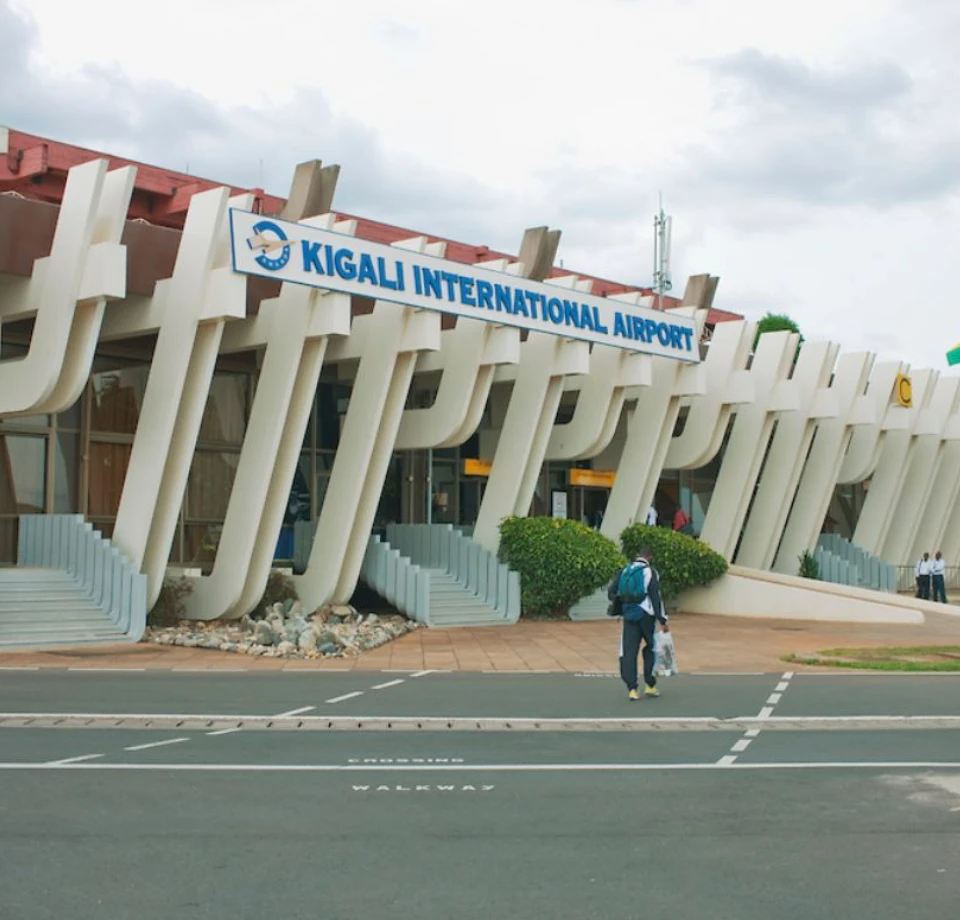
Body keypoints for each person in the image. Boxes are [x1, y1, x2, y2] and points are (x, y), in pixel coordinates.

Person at [608, 546, 669, 700]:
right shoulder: (650, 572)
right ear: (649, 557)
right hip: (646, 616)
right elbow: (656, 597)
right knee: (651, 648)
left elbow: (611, 592)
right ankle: (650, 685)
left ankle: (632, 689)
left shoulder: (625, 570)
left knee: (629, 651)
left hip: (629, 615)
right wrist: (662, 620)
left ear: (638, 556)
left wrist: (624, 603)